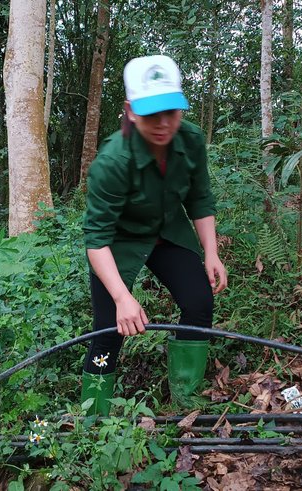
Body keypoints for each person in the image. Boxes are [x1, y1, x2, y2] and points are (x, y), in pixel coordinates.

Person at [80, 54, 227, 415]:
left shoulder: (190, 139)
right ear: (130, 111)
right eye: (150, 114)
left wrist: (211, 252)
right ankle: (94, 413)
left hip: (167, 232)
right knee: (108, 330)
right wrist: (122, 297)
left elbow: (199, 197)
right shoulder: (112, 162)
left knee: (199, 302)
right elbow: (96, 240)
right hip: (118, 243)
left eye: (171, 112)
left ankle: (186, 398)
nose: (163, 124)